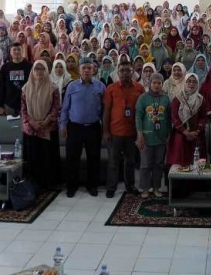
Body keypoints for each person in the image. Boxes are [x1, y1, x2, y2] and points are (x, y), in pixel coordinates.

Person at [60, 56, 105, 197]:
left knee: (94, 158)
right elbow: (65, 108)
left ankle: (92, 186)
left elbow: (104, 109)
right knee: (72, 158)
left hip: (93, 127)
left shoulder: (100, 86)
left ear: (94, 70)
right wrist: (62, 125)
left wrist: (105, 128)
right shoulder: (72, 86)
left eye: (89, 68)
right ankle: (71, 186)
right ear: (79, 70)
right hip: (74, 127)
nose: (86, 70)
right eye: (84, 68)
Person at [103, 60, 145, 198]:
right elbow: (106, 111)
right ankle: (111, 187)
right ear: (118, 72)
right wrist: (106, 131)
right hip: (115, 132)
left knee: (130, 161)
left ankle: (130, 186)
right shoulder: (111, 88)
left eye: (128, 71)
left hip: (132, 132)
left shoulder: (139, 88)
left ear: (132, 72)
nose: (125, 73)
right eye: (122, 71)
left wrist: (141, 133)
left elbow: (142, 112)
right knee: (113, 161)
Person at [21, 60, 61, 190]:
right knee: (33, 157)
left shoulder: (53, 87)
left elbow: (56, 108)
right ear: (32, 71)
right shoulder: (26, 88)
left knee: (47, 157)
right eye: (36, 69)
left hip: (48, 128)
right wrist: (32, 122)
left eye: (42, 69)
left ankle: (48, 184)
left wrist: (45, 122)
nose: (39, 72)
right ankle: (33, 184)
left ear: (46, 71)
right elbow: (23, 109)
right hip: (31, 129)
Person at [135, 73, 171, 199]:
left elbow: (169, 118)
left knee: (158, 164)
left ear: (162, 84)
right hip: (146, 137)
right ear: (150, 83)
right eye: (154, 83)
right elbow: (138, 117)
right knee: (145, 164)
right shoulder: (143, 98)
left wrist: (168, 135)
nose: (156, 85)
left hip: (161, 138)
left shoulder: (166, 99)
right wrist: (140, 135)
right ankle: (145, 188)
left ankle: (156, 188)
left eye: (159, 83)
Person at [0, 43, 33, 116]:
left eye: (19, 49)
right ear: (10, 52)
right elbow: (1, 87)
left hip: (26, 104)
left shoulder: (30, 66)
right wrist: (0, 105)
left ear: (22, 51)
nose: (17, 52)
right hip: (9, 105)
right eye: (14, 50)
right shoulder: (5, 67)